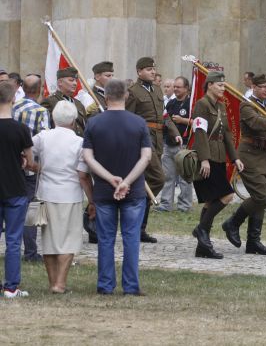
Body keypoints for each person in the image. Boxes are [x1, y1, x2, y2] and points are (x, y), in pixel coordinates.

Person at [83, 79, 152, 295]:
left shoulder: (94, 123)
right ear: (127, 96)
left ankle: (105, 285)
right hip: (134, 189)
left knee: (105, 239)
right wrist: (127, 181)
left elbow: (87, 157)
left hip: (104, 189)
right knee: (131, 238)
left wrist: (110, 178)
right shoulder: (139, 123)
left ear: (106, 97)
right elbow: (146, 157)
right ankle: (131, 286)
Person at [221, 74, 266, 255]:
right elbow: (257, 123)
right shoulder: (246, 105)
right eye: (263, 87)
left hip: (265, 157)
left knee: (264, 198)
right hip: (249, 156)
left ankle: (253, 241)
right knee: (260, 196)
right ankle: (232, 223)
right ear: (255, 87)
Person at [32, 101, 93, 294]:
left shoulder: (42, 137)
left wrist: (34, 167)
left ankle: (53, 283)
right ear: (74, 121)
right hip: (70, 194)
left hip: (46, 193)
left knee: (49, 240)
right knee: (68, 240)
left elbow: (24, 154)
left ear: (53, 118)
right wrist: (92, 200)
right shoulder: (79, 142)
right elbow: (83, 175)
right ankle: (60, 284)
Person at [126, 57, 181, 243]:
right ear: (139, 71)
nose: (152, 72)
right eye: (148, 69)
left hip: (158, 139)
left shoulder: (157, 90)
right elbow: (128, 118)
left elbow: (165, 116)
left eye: (153, 69)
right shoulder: (133, 92)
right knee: (159, 178)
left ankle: (140, 228)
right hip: (143, 139)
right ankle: (136, 207)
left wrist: (174, 132)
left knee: (149, 181)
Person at [191, 71, 244, 259]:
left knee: (211, 200)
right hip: (208, 157)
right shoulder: (202, 105)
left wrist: (234, 157)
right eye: (220, 85)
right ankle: (202, 230)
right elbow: (199, 132)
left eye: (224, 85)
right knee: (227, 195)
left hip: (220, 156)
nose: (223, 88)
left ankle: (202, 245)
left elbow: (227, 134)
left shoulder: (220, 106)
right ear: (210, 85)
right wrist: (204, 158)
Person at [0, 81, 34, 298]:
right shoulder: (21, 128)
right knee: (13, 240)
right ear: (13, 99)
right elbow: (30, 161)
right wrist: (23, 160)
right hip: (15, 187)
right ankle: (11, 286)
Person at [12, 74, 50, 262]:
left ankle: (13, 247)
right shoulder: (41, 111)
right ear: (40, 89)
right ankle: (30, 251)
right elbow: (45, 141)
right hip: (31, 165)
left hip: (11, 164)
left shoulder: (12, 106)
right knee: (29, 208)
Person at [158, 76, 193, 212]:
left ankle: (184, 206)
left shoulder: (191, 103)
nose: (176, 89)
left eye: (179, 87)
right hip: (169, 146)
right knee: (168, 176)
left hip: (184, 146)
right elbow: (165, 121)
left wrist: (182, 120)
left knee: (185, 178)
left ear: (186, 88)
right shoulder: (170, 103)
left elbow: (197, 122)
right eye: (175, 87)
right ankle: (166, 205)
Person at [41, 67, 87, 136]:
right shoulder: (49, 101)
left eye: (76, 81)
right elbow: (45, 126)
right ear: (60, 82)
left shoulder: (78, 104)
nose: (75, 83)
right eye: (71, 80)